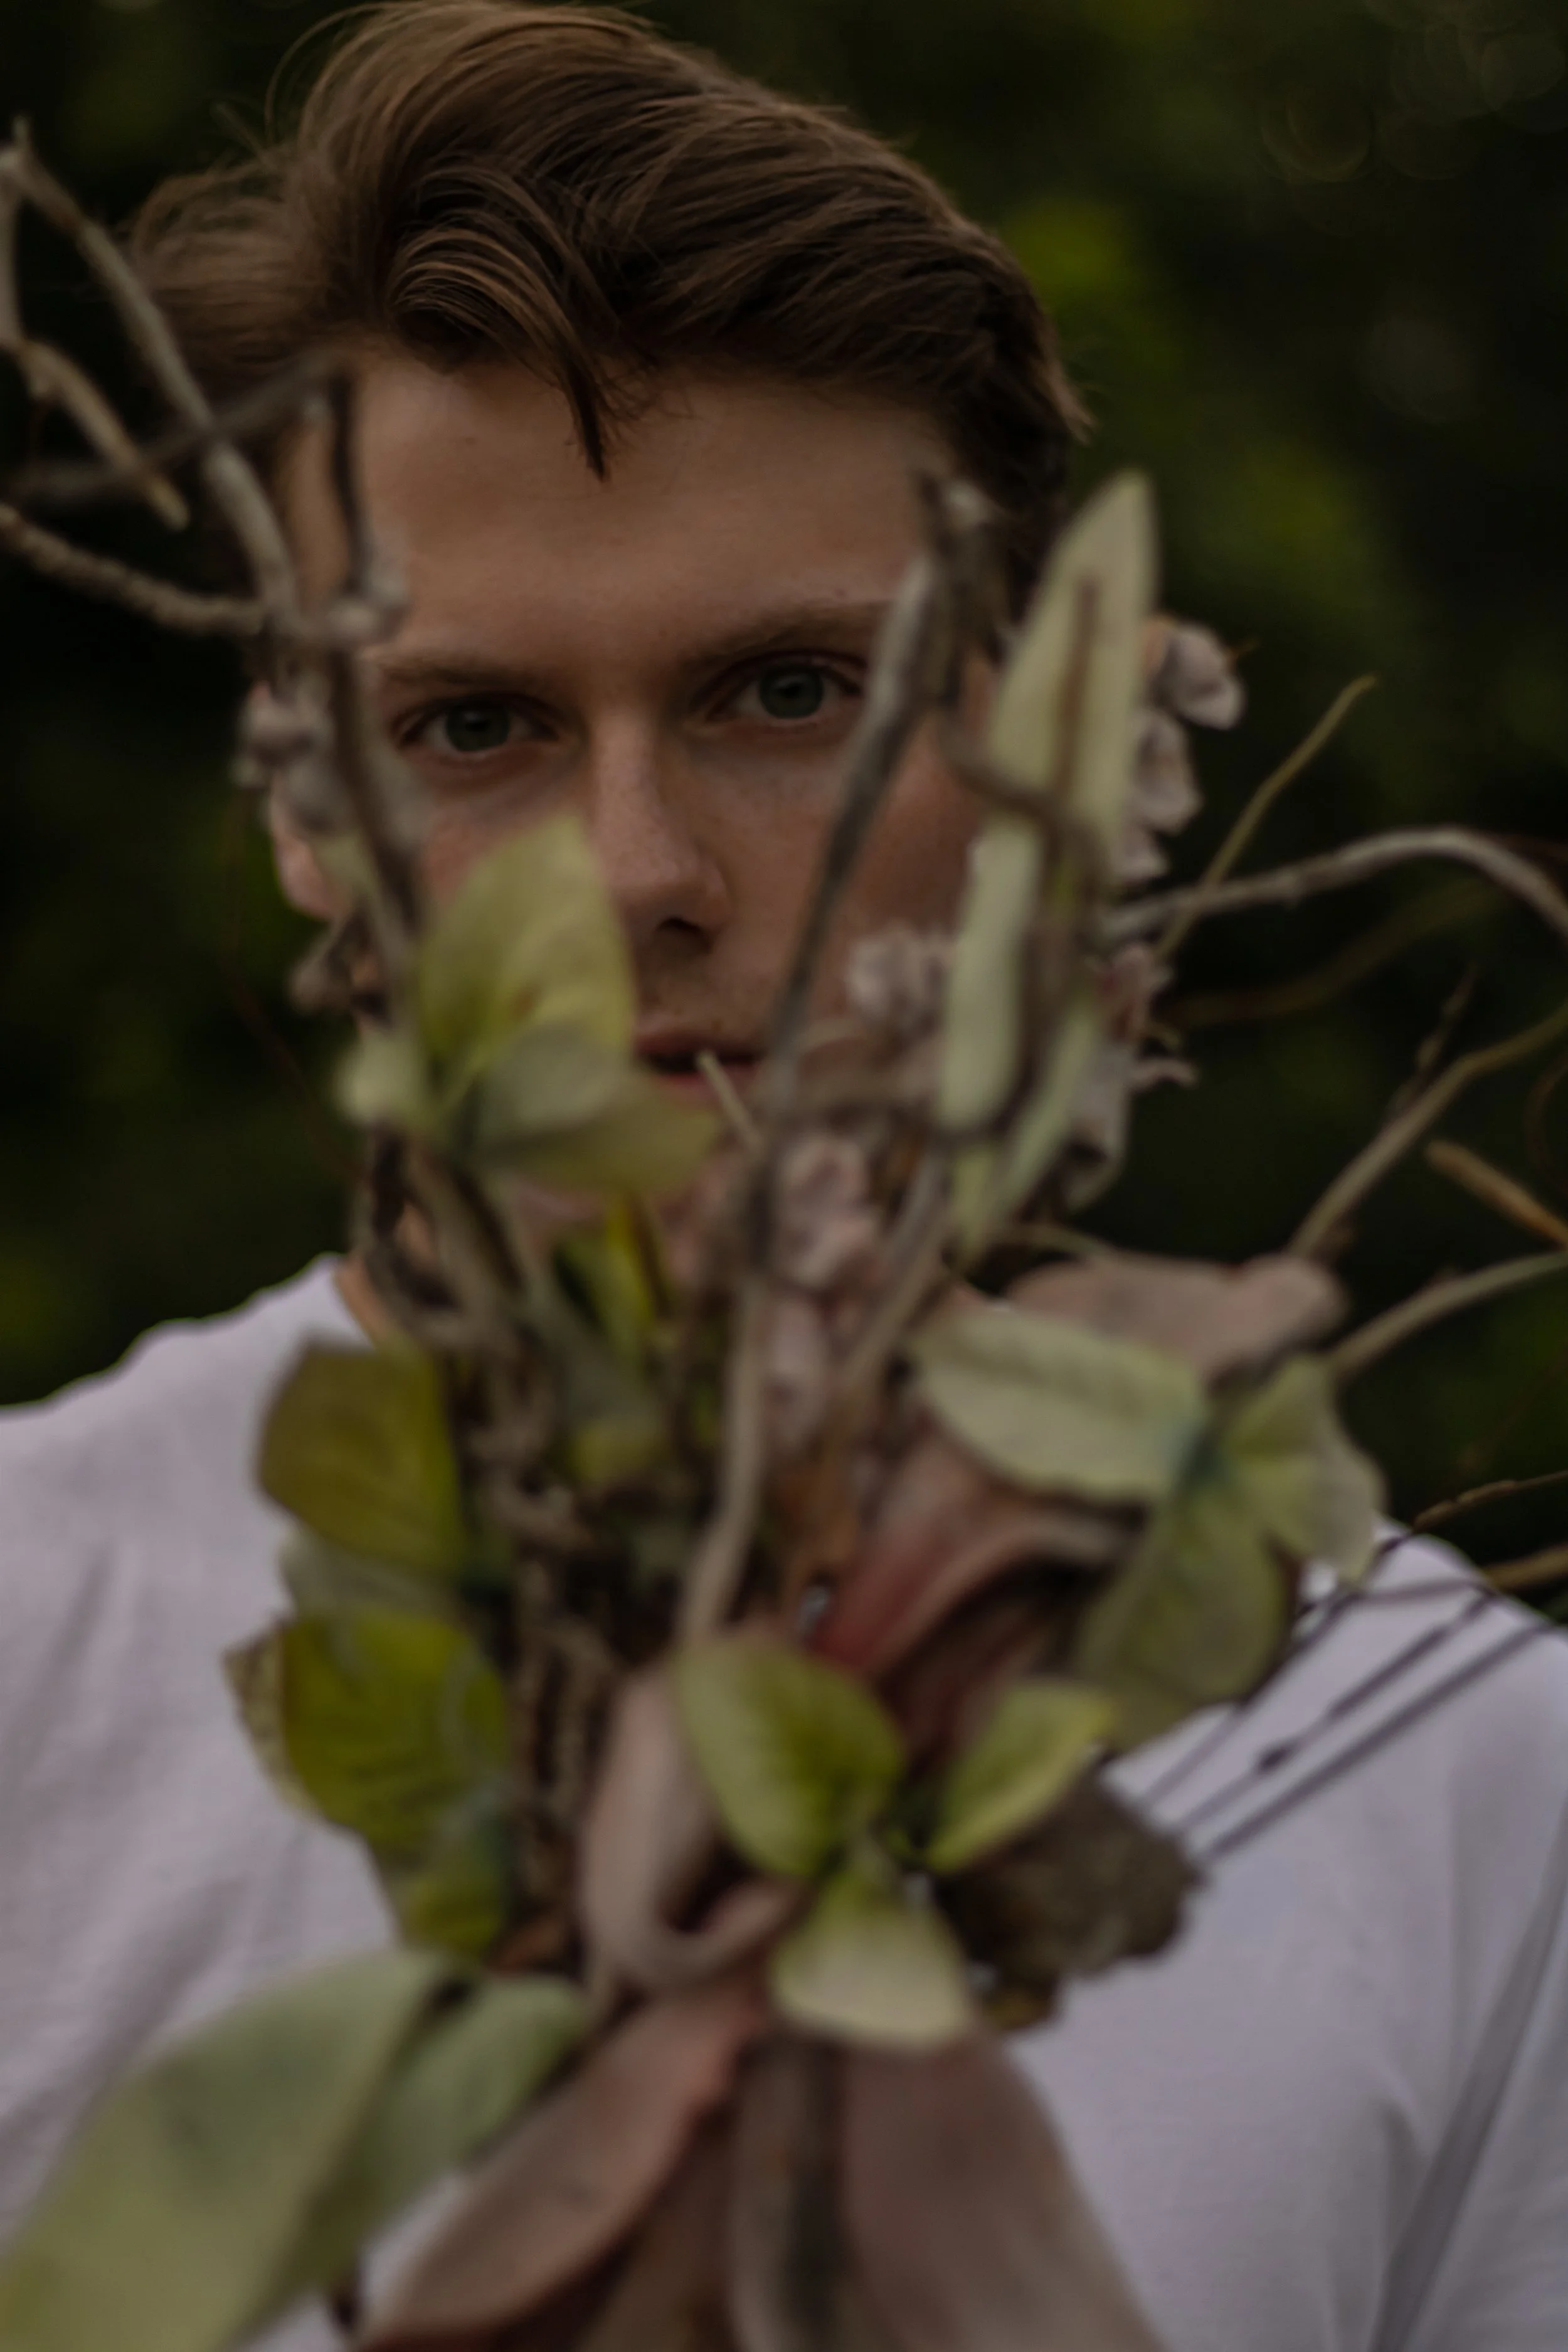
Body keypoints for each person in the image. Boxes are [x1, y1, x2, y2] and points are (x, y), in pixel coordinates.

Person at [3, 8, 1567, 2348]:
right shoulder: (31, 1649)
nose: (634, 873)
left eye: (783, 694)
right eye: (471, 726)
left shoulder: (1442, 1747)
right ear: (305, 812)